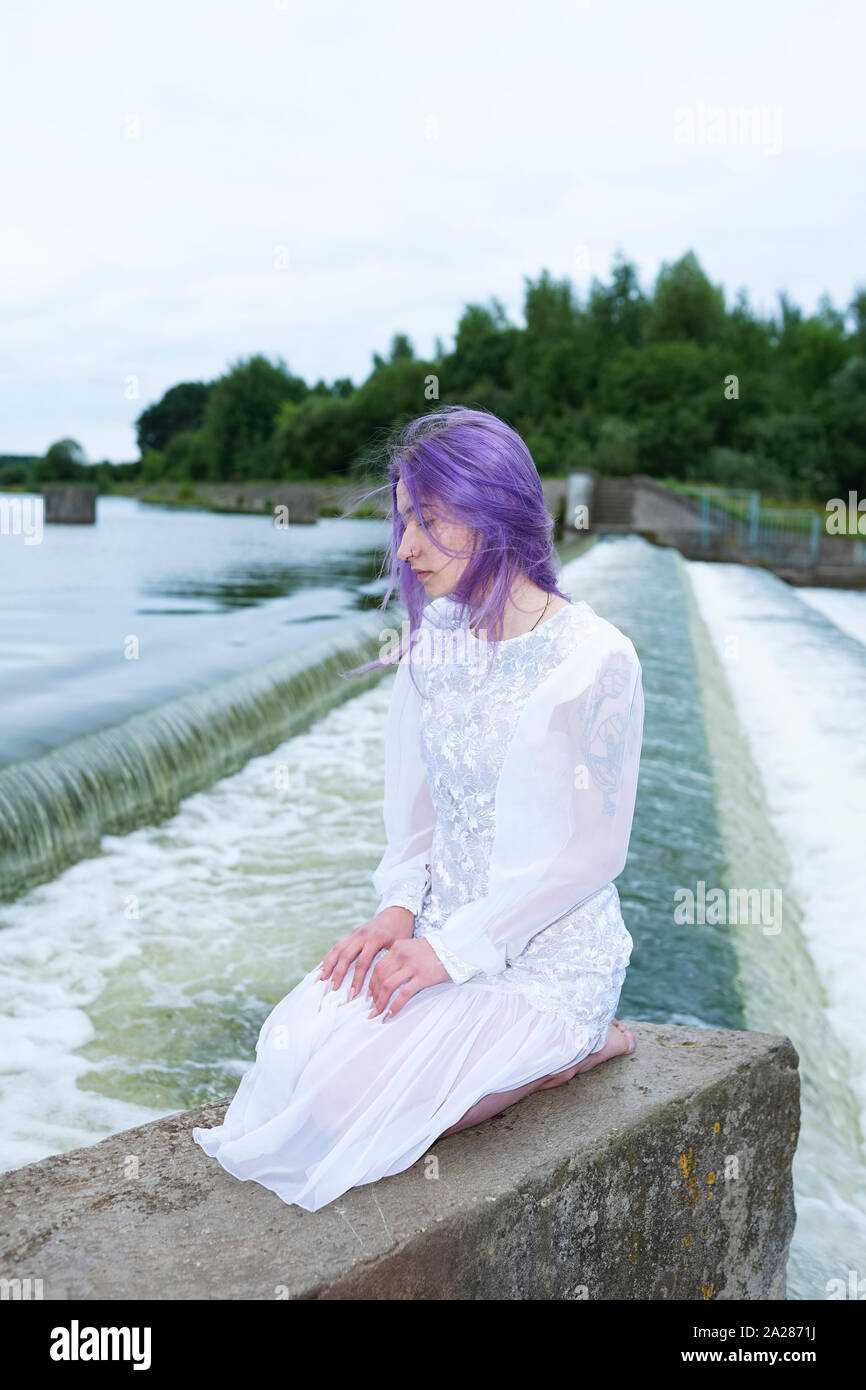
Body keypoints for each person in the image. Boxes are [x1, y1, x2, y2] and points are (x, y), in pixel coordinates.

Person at [192, 406, 644, 1212]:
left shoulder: (598, 657)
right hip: (440, 930)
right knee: (291, 1057)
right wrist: (398, 913)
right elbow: (419, 812)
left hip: (546, 959)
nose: (405, 548)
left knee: (343, 1104)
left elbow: (593, 855)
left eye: (428, 523)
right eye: (404, 521)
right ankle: (502, 1042)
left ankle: (576, 1049)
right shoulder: (435, 635)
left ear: (497, 510)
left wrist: (455, 951)